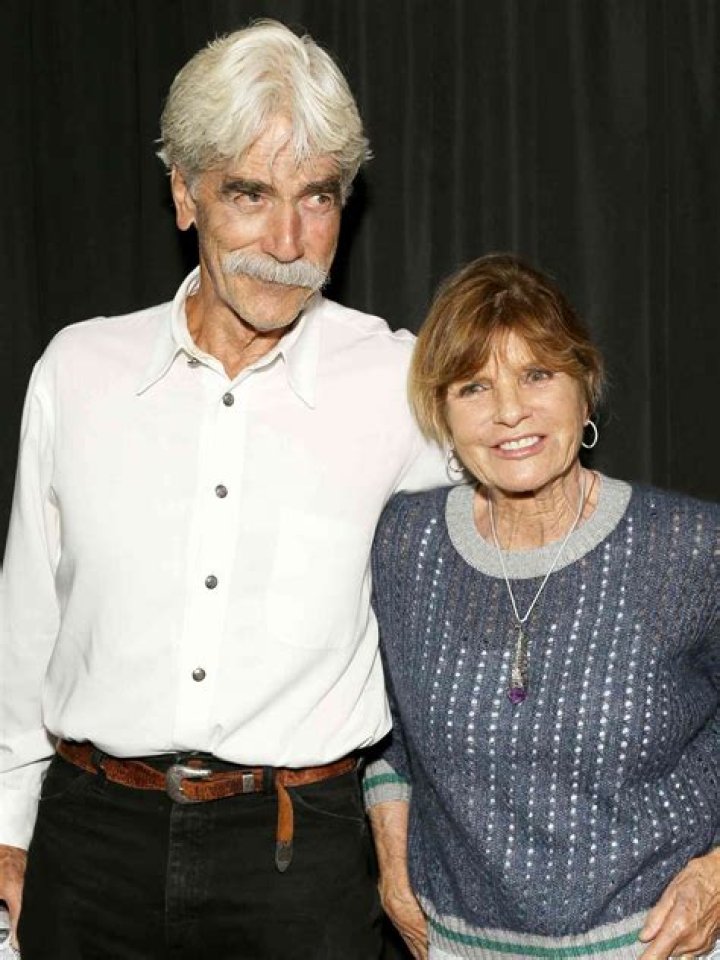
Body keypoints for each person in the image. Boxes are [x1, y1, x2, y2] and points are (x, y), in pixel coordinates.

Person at [0, 20, 444, 958]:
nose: (286, 241)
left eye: (316, 197)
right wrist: (7, 821)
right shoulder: (79, 371)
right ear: (183, 193)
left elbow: (519, 572)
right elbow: (27, 619)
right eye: (249, 193)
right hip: (87, 841)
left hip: (300, 859)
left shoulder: (401, 384)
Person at [364, 253, 719, 960]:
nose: (509, 412)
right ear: (443, 414)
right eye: (474, 386)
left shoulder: (690, 547)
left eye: (536, 375)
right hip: (458, 948)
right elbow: (387, 735)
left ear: (584, 390)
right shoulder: (405, 545)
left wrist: (718, 875)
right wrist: (394, 870)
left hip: (660, 948)